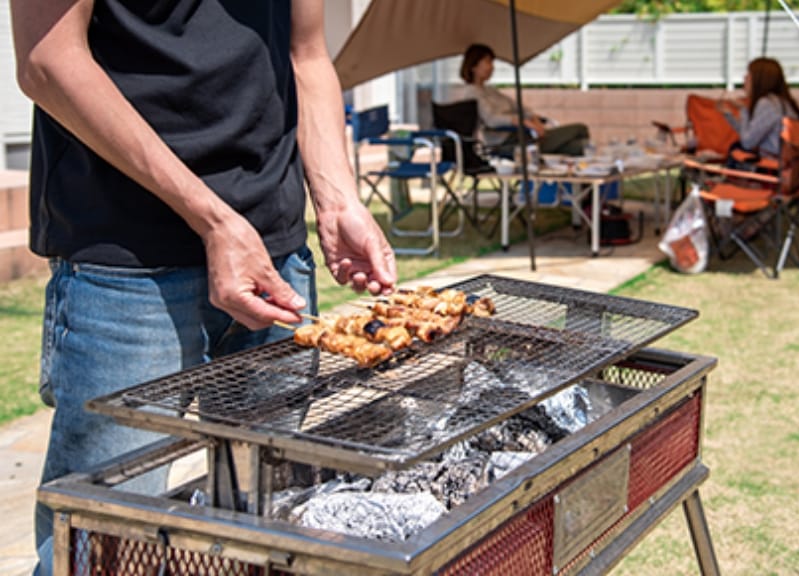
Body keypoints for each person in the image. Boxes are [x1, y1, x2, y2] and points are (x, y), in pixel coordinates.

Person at [11, 1, 396, 572]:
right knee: (109, 548)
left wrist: (338, 200)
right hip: (126, 266)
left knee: (262, 530)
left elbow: (307, 54)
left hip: (275, 261)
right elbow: (47, 59)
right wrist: (213, 220)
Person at [457, 43, 590, 156]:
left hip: (523, 135)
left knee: (580, 147)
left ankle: (579, 185)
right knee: (580, 129)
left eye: (492, 62)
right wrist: (523, 122)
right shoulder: (472, 93)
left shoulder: (490, 90)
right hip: (507, 141)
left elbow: (518, 107)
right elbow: (492, 119)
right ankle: (582, 184)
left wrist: (533, 119)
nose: (492, 67)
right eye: (487, 62)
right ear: (474, 66)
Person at [720, 57, 799, 162]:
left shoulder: (768, 105)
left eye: (749, 74)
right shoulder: (780, 102)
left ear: (759, 79)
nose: (745, 77)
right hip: (787, 166)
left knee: (736, 149)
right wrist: (729, 115)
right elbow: (749, 134)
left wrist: (744, 110)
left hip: (775, 168)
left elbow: (747, 142)